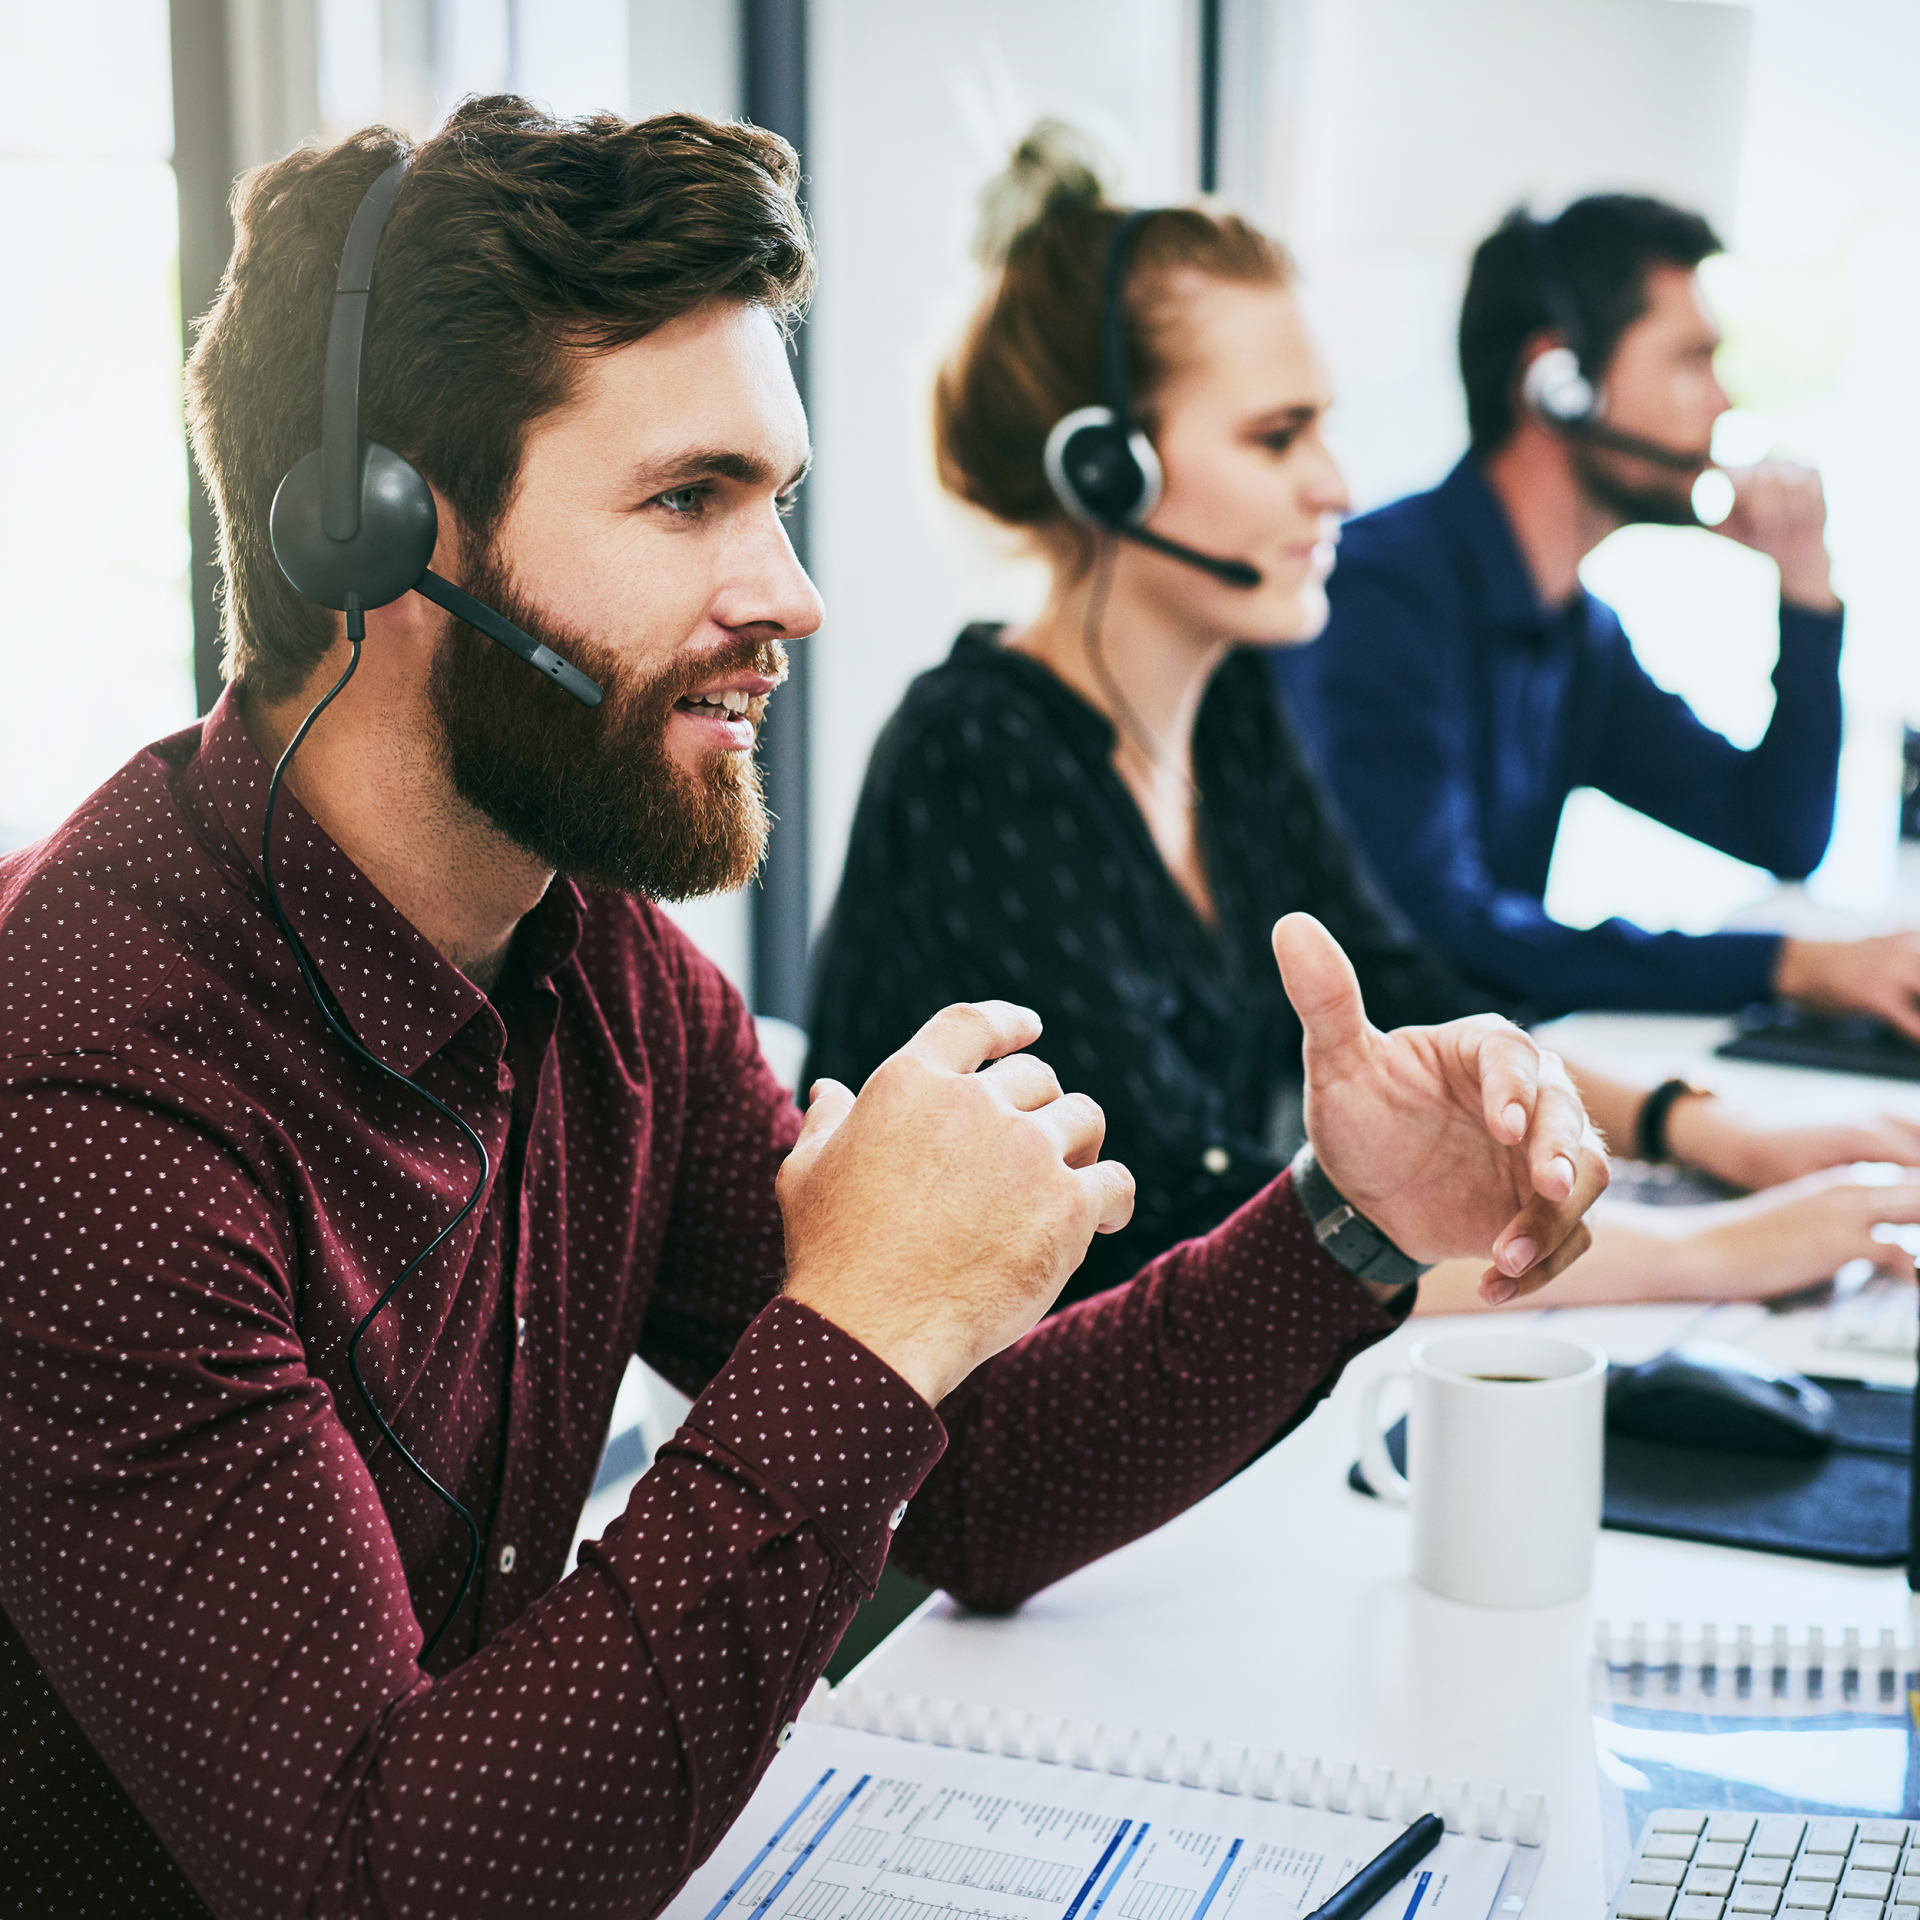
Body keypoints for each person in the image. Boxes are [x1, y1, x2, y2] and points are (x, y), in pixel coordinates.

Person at [0, 104, 1608, 1918]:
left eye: (782, 501)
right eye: (690, 500)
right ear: (384, 539)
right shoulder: (88, 1108)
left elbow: (973, 1482)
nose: (795, 599)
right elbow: (381, 1882)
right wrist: (856, 1319)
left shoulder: (594, 961)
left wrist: (1349, 1222)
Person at [804, 125, 1920, 1317]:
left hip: (1169, 1417)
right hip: (970, 1456)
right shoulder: (983, 756)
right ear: (1106, 473)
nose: (1336, 483)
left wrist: (1700, 1135)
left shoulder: (1226, 704)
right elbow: (1181, 1232)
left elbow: (1405, 991)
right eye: (1278, 437)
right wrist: (1717, 1256)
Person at [1270, 195, 1920, 1033]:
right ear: (1559, 384)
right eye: (1691, 361)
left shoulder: (1572, 633)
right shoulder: (1377, 599)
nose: (1721, 403)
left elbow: (1779, 832)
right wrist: (1784, 963)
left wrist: (1805, 590)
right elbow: (1436, 935)